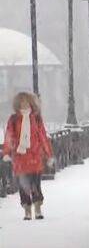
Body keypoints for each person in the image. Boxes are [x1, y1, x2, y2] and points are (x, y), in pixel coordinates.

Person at [2, 92, 53, 220]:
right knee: (23, 186)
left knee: (36, 184)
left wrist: (48, 154)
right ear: (18, 104)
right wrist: (7, 153)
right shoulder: (13, 119)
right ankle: (27, 210)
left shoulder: (36, 118)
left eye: (26, 101)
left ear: (31, 103)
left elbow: (42, 137)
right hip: (20, 158)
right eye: (22, 101)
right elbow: (9, 136)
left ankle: (37, 208)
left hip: (35, 156)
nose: (24, 104)